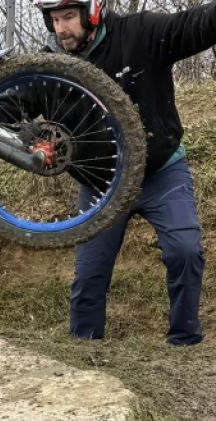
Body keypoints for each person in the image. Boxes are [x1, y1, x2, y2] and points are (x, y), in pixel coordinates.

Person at [33, 0, 216, 345]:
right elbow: (8, 100)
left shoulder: (140, 33)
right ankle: (85, 352)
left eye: (69, 17)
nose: (61, 29)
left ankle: (185, 341)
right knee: (89, 277)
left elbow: (194, 24)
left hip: (161, 170)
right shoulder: (51, 66)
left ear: (92, 12)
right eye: (54, 20)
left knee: (185, 251)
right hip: (101, 185)